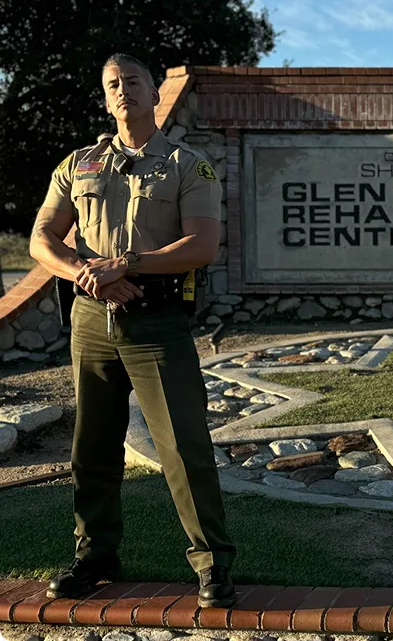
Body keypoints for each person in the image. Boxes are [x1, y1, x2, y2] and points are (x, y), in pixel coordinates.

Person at [29, 53, 237, 608]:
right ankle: (95, 556)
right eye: (113, 85)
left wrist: (127, 265)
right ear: (106, 98)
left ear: (151, 91)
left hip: (157, 322)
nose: (124, 91)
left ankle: (212, 564)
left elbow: (201, 245)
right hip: (91, 320)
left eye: (133, 82)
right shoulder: (79, 166)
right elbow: (42, 238)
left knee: (182, 446)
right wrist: (88, 275)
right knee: (91, 446)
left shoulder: (187, 165)